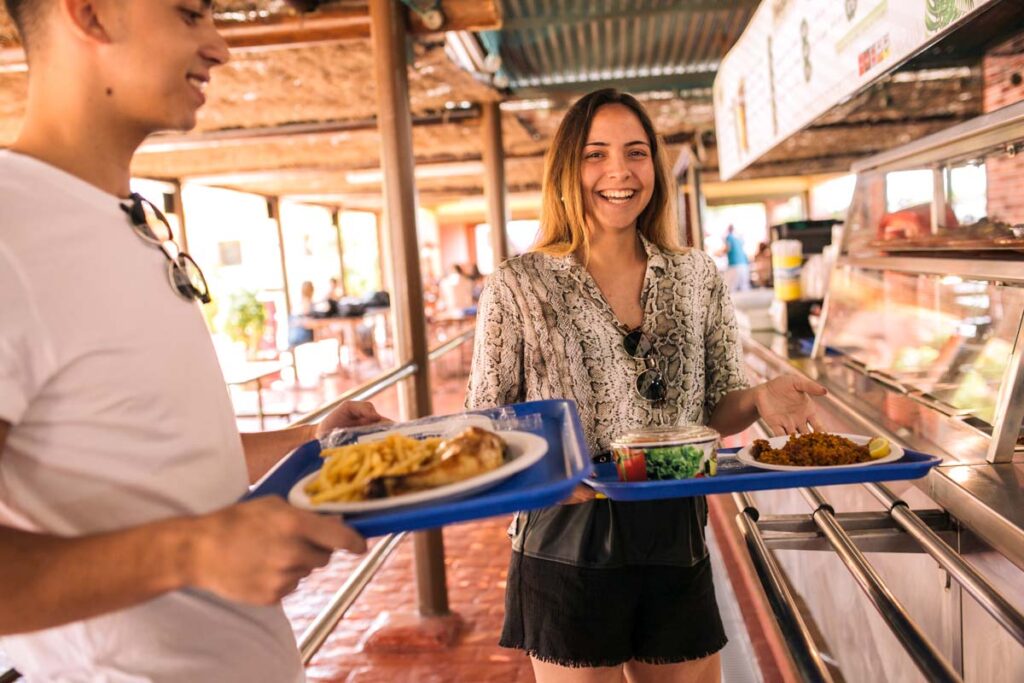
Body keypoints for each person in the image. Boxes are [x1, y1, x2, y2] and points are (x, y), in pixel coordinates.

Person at [0, 2, 386, 680]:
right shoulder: (12, 230)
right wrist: (193, 552)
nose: (220, 48)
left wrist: (312, 444)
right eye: (189, 13)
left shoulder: (124, 217)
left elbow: (160, 455)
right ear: (90, 14)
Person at [466, 89, 826, 682]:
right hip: (566, 537)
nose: (618, 172)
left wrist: (760, 398)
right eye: (595, 155)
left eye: (636, 153)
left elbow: (719, 404)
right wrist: (537, 479)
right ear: (565, 169)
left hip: (673, 527)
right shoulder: (519, 283)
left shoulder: (695, 275)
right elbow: (486, 423)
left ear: (654, 168)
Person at [719, 224, 751, 292]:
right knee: (744, 288)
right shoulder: (738, 238)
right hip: (744, 265)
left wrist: (719, 253)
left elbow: (727, 248)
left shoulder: (729, 237)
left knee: (728, 288)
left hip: (735, 266)